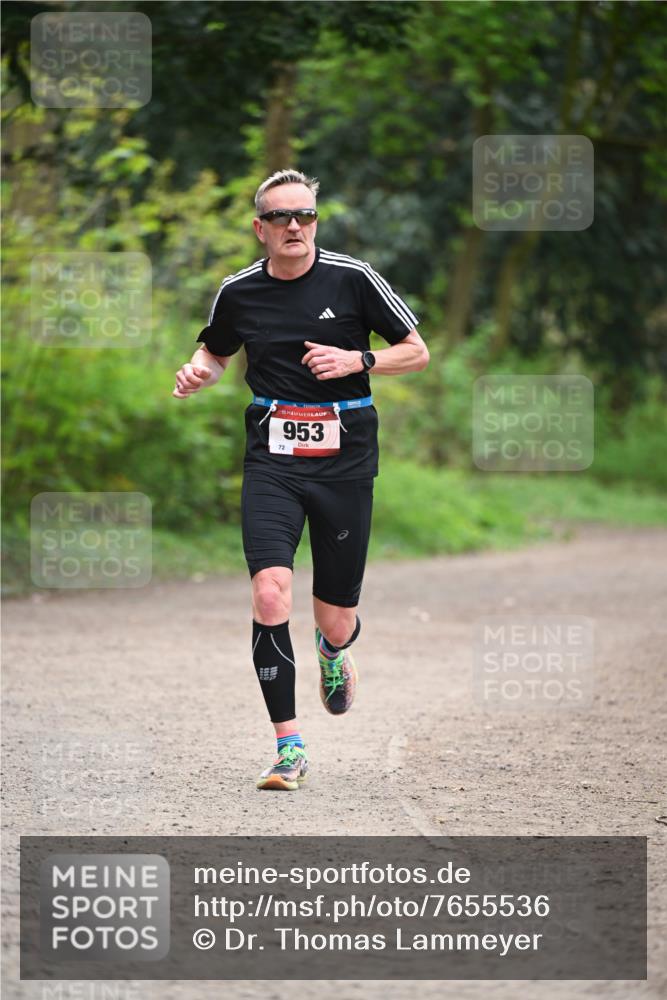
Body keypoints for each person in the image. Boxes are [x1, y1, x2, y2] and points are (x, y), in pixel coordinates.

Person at [173, 169, 428, 790]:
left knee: (335, 617)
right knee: (268, 594)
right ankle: (289, 747)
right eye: (283, 217)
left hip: (345, 461)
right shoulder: (239, 292)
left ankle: (334, 653)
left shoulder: (353, 278)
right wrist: (200, 370)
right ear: (260, 228)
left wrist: (358, 359)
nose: (296, 226)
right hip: (273, 459)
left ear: (316, 221)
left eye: (306, 216)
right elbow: (216, 348)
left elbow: (416, 350)